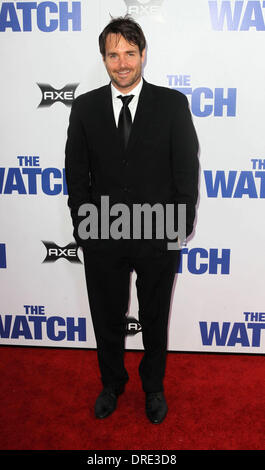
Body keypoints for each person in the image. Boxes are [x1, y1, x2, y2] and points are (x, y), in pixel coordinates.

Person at [65, 16, 199, 424]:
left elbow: (185, 171)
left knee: (155, 316)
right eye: (113, 54)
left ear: (143, 54)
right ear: (103, 58)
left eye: (129, 53)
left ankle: (153, 387)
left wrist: (178, 225)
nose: (121, 63)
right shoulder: (85, 106)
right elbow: (76, 170)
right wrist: (84, 225)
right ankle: (111, 383)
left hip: (158, 232)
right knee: (106, 315)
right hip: (102, 231)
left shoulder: (172, 104)